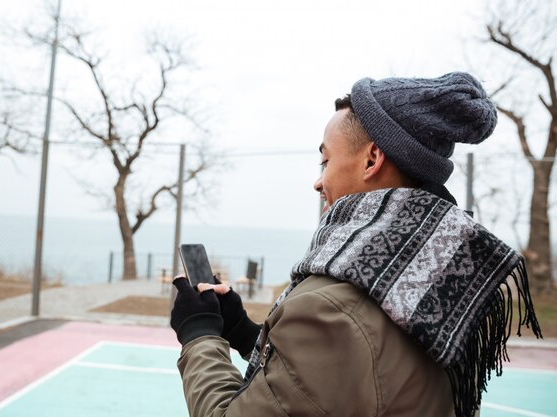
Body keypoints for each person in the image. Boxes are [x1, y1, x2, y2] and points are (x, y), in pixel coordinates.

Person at [169, 72, 542, 417]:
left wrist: (199, 334)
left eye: (325, 161)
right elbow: (352, 382)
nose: (318, 182)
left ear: (372, 159)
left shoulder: (329, 306)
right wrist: (242, 332)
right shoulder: (440, 277)